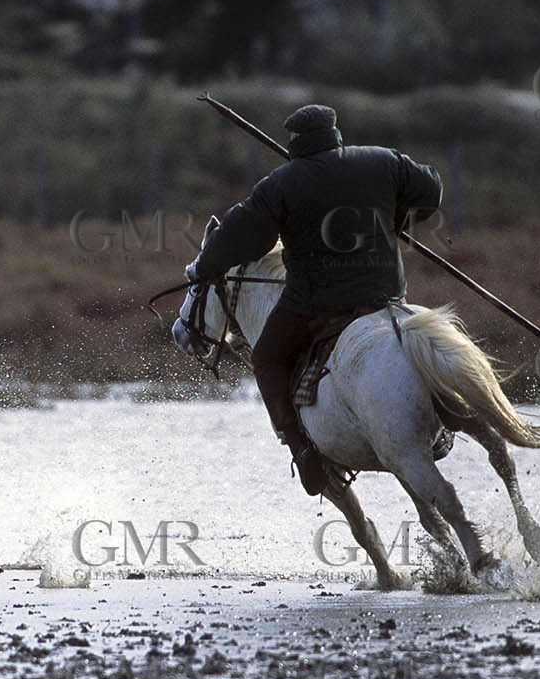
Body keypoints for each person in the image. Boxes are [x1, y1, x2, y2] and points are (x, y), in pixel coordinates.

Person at [179, 104, 443, 495]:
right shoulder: (383, 161)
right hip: (384, 292)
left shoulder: (282, 183)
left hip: (317, 304)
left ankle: (302, 449)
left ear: (295, 141)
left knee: (267, 356)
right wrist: (394, 218)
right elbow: (431, 190)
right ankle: (445, 421)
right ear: (334, 133)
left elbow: (240, 235)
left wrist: (204, 267)